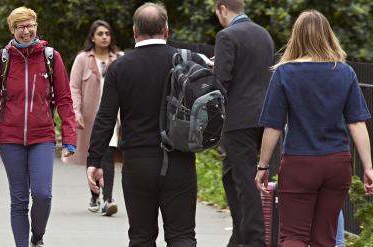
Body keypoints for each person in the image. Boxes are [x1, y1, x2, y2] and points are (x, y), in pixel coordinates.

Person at [88, 3, 205, 246]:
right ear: (167, 30)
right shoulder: (187, 61)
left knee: (141, 237)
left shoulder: (120, 67)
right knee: (182, 236)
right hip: (179, 160)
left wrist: (95, 160)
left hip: (137, 163)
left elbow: (105, 118)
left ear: (134, 31)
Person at [255, 10, 373, 247]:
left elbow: (273, 126)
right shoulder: (344, 72)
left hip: (300, 163)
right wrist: (369, 166)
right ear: (328, 36)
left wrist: (263, 165)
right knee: (324, 238)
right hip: (337, 163)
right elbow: (357, 122)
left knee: (293, 236)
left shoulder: (285, 73)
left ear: (296, 36)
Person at [0, 6, 76, 247]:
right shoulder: (1, 60)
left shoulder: (50, 57)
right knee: (19, 199)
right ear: (12, 30)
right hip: (10, 139)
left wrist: (69, 137)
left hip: (42, 136)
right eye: (21, 27)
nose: (26, 31)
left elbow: (63, 98)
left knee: (43, 195)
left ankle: (37, 236)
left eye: (30, 25)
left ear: (36, 26)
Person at [213, 1, 276, 246]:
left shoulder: (226, 35)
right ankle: (239, 235)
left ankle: (255, 239)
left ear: (222, 9)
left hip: (238, 119)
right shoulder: (264, 34)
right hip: (264, 116)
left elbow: (222, 82)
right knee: (230, 175)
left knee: (245, 182)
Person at [63, 19, 122, 216]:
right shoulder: (82, 59)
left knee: (109, 154)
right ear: (92, 37)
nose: (104, 37)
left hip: (114, 117)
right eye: (100, 34)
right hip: (89, 118)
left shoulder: (119, 58)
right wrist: (76, 112)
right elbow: (74, 88)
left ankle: (108, 199)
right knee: (95, 154)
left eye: (107, 33)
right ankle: (95, 195)